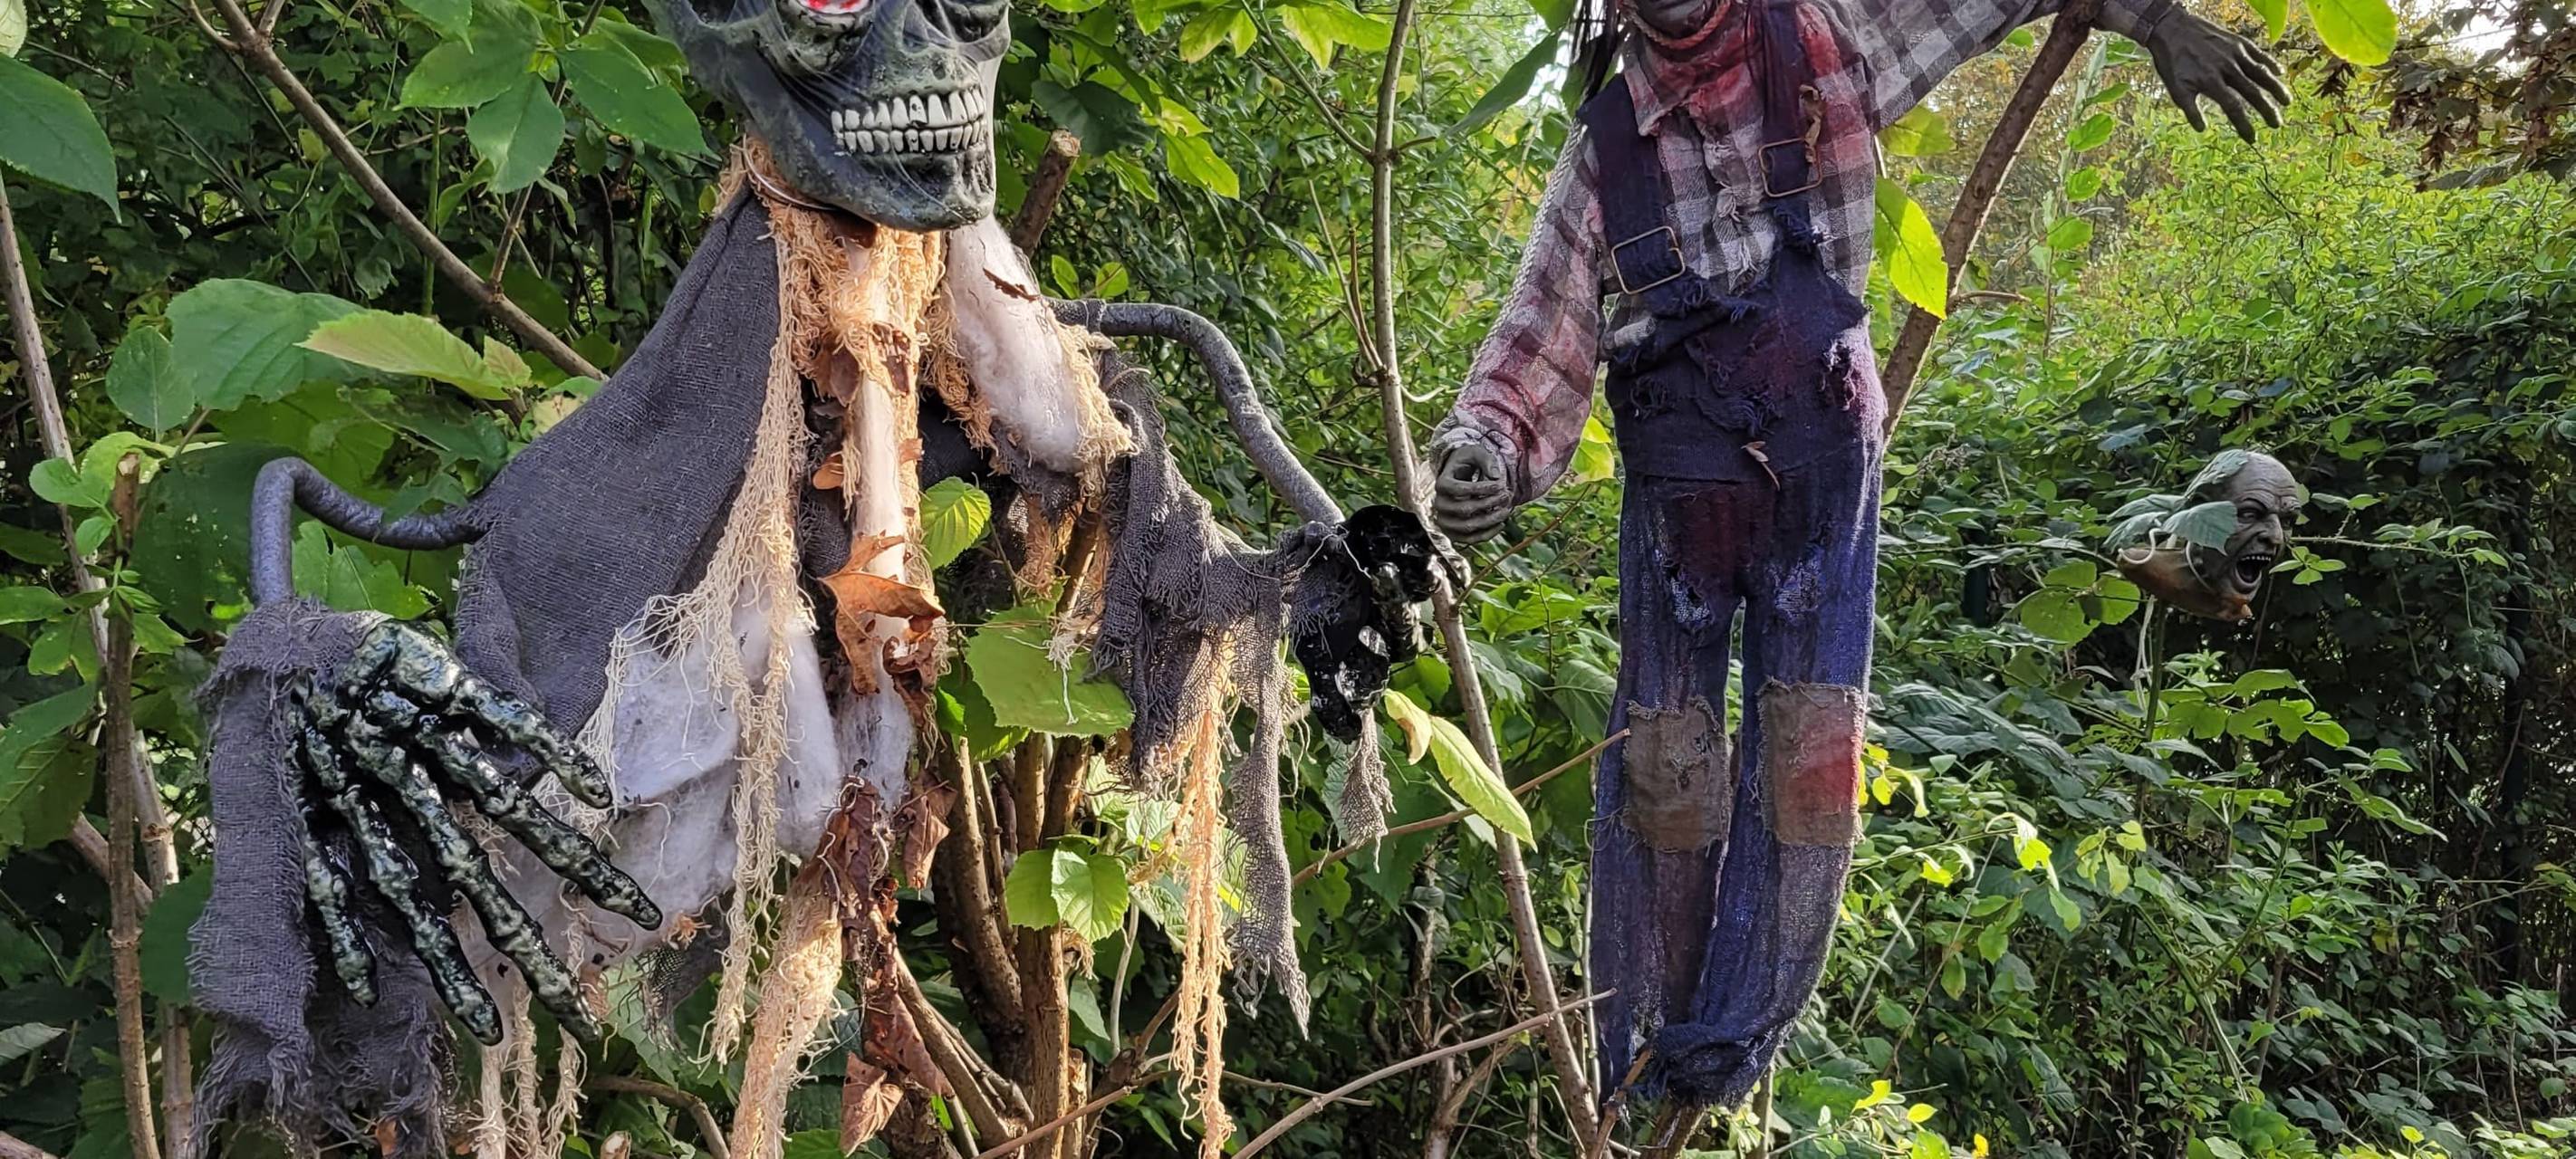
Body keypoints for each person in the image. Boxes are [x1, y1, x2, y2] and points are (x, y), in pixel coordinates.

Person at [1421, 0, 2287, 1109]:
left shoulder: (1825, 42)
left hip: (1823, 500)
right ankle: (1645, 1051)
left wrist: (2157, 19)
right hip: (1679, 522)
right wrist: (1482, 450)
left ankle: (1728, 1044)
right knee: (1664, 772)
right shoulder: (1603, 151)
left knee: (1809, 766)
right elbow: (1535, 339)